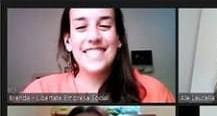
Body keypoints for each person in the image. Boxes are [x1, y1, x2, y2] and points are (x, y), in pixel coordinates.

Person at [23, 8, 175, 103]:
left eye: (104, 26)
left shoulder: (155, 91)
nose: (94, 36)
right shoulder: (39, 91)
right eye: (81, 27)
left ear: (119, 39)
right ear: (68, 41)